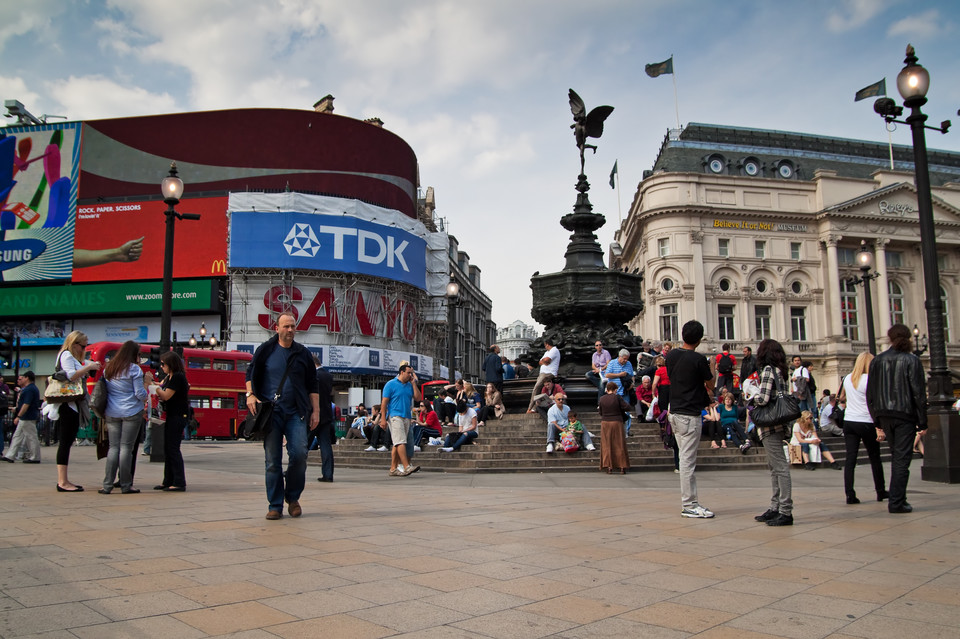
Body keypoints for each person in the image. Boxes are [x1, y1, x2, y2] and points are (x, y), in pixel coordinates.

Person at [245, 312, 320, 520]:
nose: (290, 330)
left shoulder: (303, 353)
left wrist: (316, 411)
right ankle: (275, 505)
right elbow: (250, 374)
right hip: (271, 413)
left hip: (296, 412)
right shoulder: (265, 350)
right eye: (286, 326)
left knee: (299, 454)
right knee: (272, 460)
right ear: (276, 328)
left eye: (293, 326)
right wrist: (250, 395)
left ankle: (292, 496)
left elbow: (312, 385)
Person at [866, 324, 927, 514]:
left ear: (890, 338)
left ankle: (897, 498)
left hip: (884, 414)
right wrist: (922, 419)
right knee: (902, 459)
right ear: (908, 339)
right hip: (904, 414)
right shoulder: (911, 360)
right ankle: (897, 501)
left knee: (896, 456)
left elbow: (870, 393)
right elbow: (918, 392)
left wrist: (876, 418)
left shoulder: (877, 361)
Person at [665, 321, 715, 519]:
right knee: (687, 461)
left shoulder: (671, 356)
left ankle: (691, 502)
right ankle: (689, 504)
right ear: (699, 339)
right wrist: (712, 367)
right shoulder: (698, 359)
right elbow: (711, 384)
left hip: (674, 412)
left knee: (685, 458)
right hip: (689, 414)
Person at [751, 338, 795, 526]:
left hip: (769, 424)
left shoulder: (768, 371)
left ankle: (785, 509)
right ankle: (775, 506)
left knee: (779, 467)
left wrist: (751, 396)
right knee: (775, 466)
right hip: (781, 422)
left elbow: (763, 398)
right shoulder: (783, 372)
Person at [838, 351, 887, 505]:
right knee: (874, 457)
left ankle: (849, 494)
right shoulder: (870, 380)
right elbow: (875, 402)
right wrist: (880, 426)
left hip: (849, 421)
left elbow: (841, 398)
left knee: (850, 458)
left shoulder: (847, 378)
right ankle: (880, 491)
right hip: (866, 421)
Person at [99, 340, 148, 494]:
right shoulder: (135, 369)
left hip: (112, 412)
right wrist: (147, 391)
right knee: (126, 448)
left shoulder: (109, 369)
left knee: (113, 448)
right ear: (134, 354)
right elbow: (139, 394)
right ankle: (126, 485)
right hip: (131, 412)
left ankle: (107, 485)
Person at [54, 331, 101, 491]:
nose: (84, 348)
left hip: (72, 403)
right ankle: (62, 482)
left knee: (67, 441)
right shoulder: (67, 355)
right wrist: (88, 367)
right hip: (68, 404)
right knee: (65, 441)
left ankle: (64, 480)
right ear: (74, 344)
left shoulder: (70, 356)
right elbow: (71, 375)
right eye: (83, 346)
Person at [154, 351, 191, 493]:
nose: (161, 366)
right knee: (168, 449)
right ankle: (168, 480)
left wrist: (154, 388)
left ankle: (179, 481)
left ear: (171, 364)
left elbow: (166, 395)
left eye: (163, 364)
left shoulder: (177, 377)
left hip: (177, 416)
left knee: (173, 449)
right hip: (171, 415)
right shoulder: (170, 377)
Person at [379, 364, 422, 477]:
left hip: (406, 416)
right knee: (401, 441)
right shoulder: (391, 384)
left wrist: (413, 384)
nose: (410, 375)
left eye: (411, 373)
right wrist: (383, 418)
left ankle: (393, 468)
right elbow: (384, 403)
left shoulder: (409, 385)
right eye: (408, 373)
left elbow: (418, 398)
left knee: (397, 443)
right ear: (402, 372)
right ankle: (406, 466)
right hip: (395, 415)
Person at [2, 371, 42, 465]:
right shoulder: (31, 388)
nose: (21, 379)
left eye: (22, 378)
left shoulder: (29, 389)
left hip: (27, 417)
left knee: (31, 437)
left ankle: (35, 457)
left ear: (27, 378)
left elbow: (26, 404)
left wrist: (18, 416)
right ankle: (10, 455)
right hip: (26, 416)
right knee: (17, 436)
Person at [598, 382, 630, 474]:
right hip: (617, 422)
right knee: (619, 444)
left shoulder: (602, 398)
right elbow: (627, 407)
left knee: (607, 444)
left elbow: (600, 412)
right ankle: (622, 466)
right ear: (615, 389)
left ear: (607, 389)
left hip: (605, 423)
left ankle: (609, 466)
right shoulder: (618, 397)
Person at [313, 357, 335, 483]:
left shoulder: (313, 375)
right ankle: (328, 474)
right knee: (325, 445)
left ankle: (294, 471)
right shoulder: (328, 375)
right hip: (326, 414)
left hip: (313, 414)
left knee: (302, 445)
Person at [526, 338, 560, 413]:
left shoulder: (554, 350)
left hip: (548, 373)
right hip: (543, 373)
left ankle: (530, 407)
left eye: (545, 345)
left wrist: (544, 361)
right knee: (540, 390)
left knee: (536, 388)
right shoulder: (547, 352)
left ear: (547, 344)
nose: (545, 347)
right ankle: (534, 408)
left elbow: (546, 360)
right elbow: (540, 362)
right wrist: (544, 361)